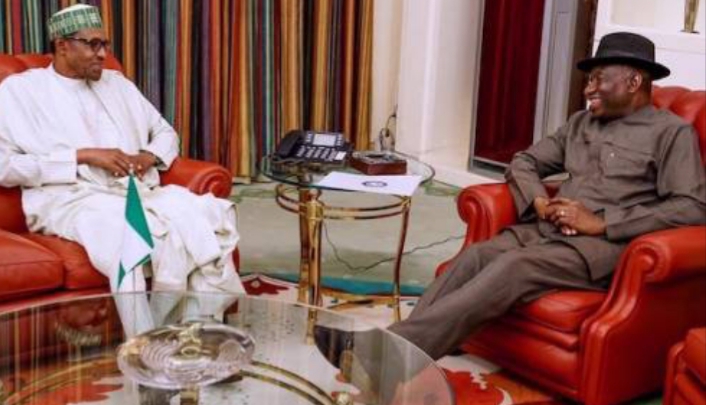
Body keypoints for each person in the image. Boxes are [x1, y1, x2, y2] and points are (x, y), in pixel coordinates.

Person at [314, 32, 706, 404]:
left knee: (515, 267)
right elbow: (525, 161)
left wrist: (604, 222)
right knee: (475, 256)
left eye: (598, 79)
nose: (588, 89)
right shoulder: (579, 123)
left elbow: (692, 206)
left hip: (600, 248)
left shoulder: (671, 134)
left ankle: (385, 354)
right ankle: (397, 357)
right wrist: (539, 201)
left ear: (634, 81)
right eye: (588, 80)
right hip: (546, 229)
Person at [0, 5, 244, 302]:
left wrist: (148, 156)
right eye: (93, 44)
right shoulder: (20, 91)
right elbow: (5, 167)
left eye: (104, 44)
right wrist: (84, 156)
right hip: (68, 199)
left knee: (204, 216)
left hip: (134, 191)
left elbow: (165, 133)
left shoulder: (117, 84)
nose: (103, 54)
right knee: (127, 237)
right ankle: (141, 328)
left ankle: (198, 322)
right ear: (62, 46)